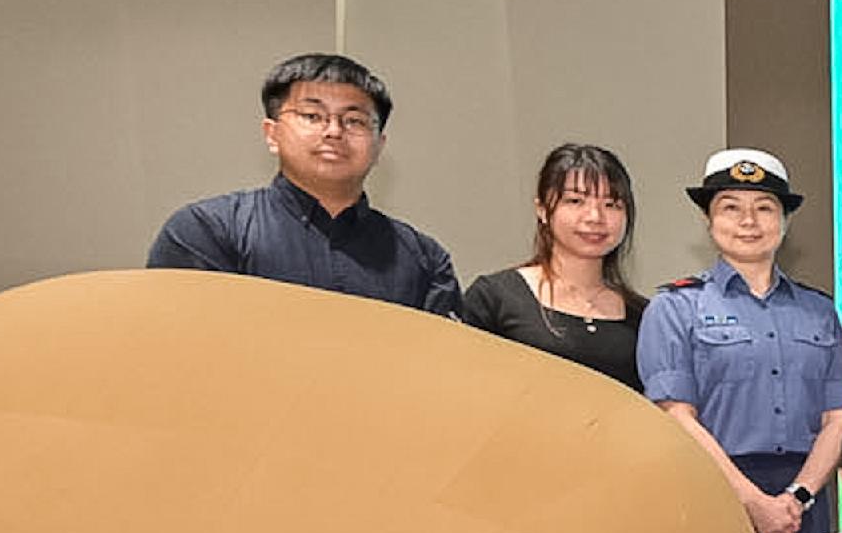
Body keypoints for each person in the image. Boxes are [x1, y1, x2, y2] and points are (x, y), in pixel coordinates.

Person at [640, 149, 842, 533]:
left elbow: (837, 418)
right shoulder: (675, 306)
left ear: (785, 221)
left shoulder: (819, 309)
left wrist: (798, 496)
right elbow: (676, 415)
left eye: (765, 208)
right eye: (730, 207)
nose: (749, 221)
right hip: (714, 487)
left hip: (804, 499)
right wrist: (752, 500)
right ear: (708, 220)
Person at [147, 50, 456, 311]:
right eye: (312, 116)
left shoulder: (425, 259)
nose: (334, 131)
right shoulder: (208, 229)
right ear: (272, 134)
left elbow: (441, 366)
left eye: (355, 121)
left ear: (379, 146)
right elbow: (180, 349)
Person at [452, 142, 648, 383]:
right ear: (542, 209)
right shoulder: (494, 297)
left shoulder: (645, 315)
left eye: (611, 205)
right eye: (576, 201)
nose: (595, 217)